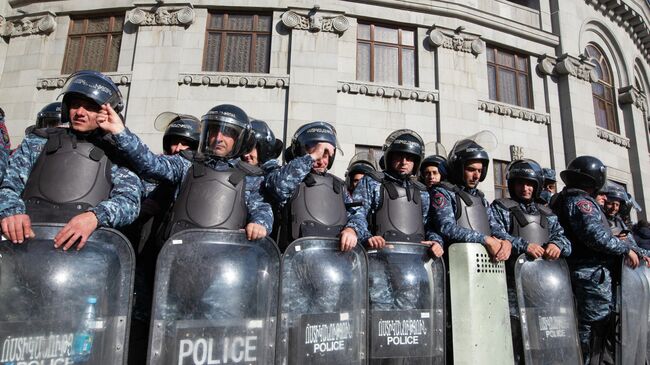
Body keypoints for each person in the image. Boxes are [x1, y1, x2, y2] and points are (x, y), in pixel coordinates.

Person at [0, 70, 142, 250]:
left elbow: (130, 200)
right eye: (75, 105)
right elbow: (9, 184)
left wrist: (95, 217)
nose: (80, 112)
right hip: (28, 245)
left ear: (106, 111)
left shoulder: (117, 151)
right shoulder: (38, 141)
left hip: (86, 251)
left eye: (90, 107)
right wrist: (11, 212)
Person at [97, 103, 273, 241]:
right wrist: (120, 132)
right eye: (213, 132)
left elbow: (262, 207)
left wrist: (260, 224)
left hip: (224, 256)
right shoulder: (186, 163)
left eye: (227, 133)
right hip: (178, 252)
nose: (218, 138)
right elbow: (151, 163)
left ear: (240, 139)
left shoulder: (250, 176)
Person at [550, 155, 643, 363]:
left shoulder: (566, 198)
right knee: (593, 331)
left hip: (583, 275)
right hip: (591, 276)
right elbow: (597, 237)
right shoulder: (582, 202)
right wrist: (625, 250)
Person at [490, 159, 571, 363]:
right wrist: (523, 245)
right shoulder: (501, 207)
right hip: (512, 287)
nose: (525, 188)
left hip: (544, 289)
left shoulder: (547, 213)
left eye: (530, 184)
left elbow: (563, 238)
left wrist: (557, 245)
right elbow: (495, 232)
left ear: (537, 186)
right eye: (520, 183)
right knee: (515, 339)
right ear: (512, 185)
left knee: (543, 341)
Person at [345, 129, 443, 254]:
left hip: (415, 259)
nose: (403, 162)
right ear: (390, 157)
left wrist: (436, 241)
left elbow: (429, 225)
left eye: (409, 158)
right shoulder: (372, 181)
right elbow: (357, 215)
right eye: (399, 156)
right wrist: (368, 238)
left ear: (416, 162)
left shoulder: (421, 191)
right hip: (379, 256)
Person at [265, 121, 357, 251]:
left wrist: (352, 229)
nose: (321, 161)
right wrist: (311, 157)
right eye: (318, 154)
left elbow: (356, 214)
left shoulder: (339, 186)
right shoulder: (288, 177)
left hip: (332, 258)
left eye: (326, 155)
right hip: (294, 259)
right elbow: (277, 187)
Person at [428, 138, 513, 261]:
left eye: (479, 171)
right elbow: (446, 227)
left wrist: (507, 242)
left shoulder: (481, 198)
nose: (476, 175)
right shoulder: (444, 192)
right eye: (471, 169)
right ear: (458, 169)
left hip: (486, 264)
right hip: (457, 264)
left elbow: (495, 228)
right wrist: (485, 240)